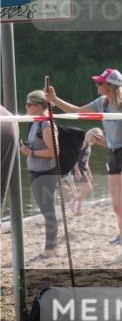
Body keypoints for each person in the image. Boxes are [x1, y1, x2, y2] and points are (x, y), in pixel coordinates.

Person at [46, 69, 122, 267]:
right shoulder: (102, 103)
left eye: (100, 83)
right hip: (113, 154)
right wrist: (55, 100)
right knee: (117, 208)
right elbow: (76, 111)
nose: (96, 85)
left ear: (110, 86)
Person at [21, 91, 59, 260]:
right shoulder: (36, 122)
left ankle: (50, 249)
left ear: (38, 106)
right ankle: (51, 247)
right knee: (45, 210)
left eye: (29, 104)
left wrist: (31, 153)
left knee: (48, 211)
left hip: (45, 173)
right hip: (37, 172)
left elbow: (54, 151)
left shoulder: (45, 124)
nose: (26, 107)